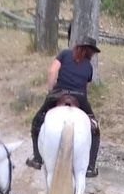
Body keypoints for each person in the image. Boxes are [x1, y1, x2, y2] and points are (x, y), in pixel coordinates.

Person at [27, 38, 101, 176]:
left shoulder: (65, 54)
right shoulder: (89, 66)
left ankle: (37, 158)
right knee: (95, 129)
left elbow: (52, 72)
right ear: (90, 51)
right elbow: (85, 87)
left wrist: (50, 90)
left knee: (37, 121)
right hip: (79, 97)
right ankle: (90, 167)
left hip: (58, 94)